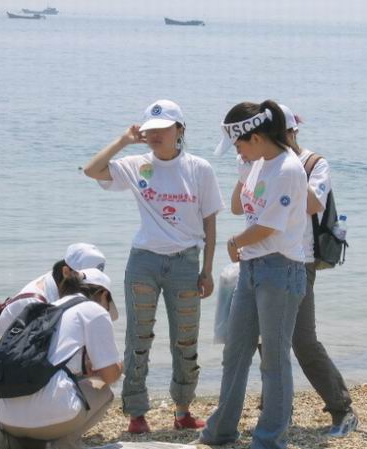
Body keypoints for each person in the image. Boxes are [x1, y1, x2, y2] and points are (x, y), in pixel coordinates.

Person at [84, 99, 224, 433]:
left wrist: (207, 270)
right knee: (138, 338)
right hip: (143, 262)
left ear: (180, 129)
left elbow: (210, 224)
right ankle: (136, 414)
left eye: (163, 129)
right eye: (150, 130)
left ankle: (183, 410)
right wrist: (123, 140)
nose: (155, 135)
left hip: (186, 263)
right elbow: (92, 170)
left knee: (185, 341)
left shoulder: (199, 168)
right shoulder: (137, 164)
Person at [199, 101, 307, 449]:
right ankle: (221, 431)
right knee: (235, 352)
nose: (237, 151)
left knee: (273, 360)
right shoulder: (259, 162)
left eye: (239, 144)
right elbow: (237, 207)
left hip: (281, 269)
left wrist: (235, 241)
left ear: (257, 137)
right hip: (251, 267)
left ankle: (269, 440)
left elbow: (269, 226)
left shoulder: (288, 169)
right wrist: (245, 169)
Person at [279, 104, 358, 437]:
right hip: (266, 258)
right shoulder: (261, 162)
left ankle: (342, 409)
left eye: (281, 134)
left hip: (301, 260)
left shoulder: (314, 164)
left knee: (303, 341)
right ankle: (277, 410)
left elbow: (313, 204)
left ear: (293, 132)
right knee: (265, 340)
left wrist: (286, 168)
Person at [0, 271, 122, 449]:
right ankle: (62, 444)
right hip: (49, 419)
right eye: (107, 305)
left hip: (5, 417)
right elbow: (110, 375)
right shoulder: (94, 310)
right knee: (102, 387)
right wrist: (118, 367)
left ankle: (14, 441)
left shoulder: (47, 308)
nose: (105, 309)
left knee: (67, 385)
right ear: (103, 294)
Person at [0, 242, 106, 338]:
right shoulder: (36, 303)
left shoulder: (57, 283)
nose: (90, 289)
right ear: (66, 272)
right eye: (85, 281)